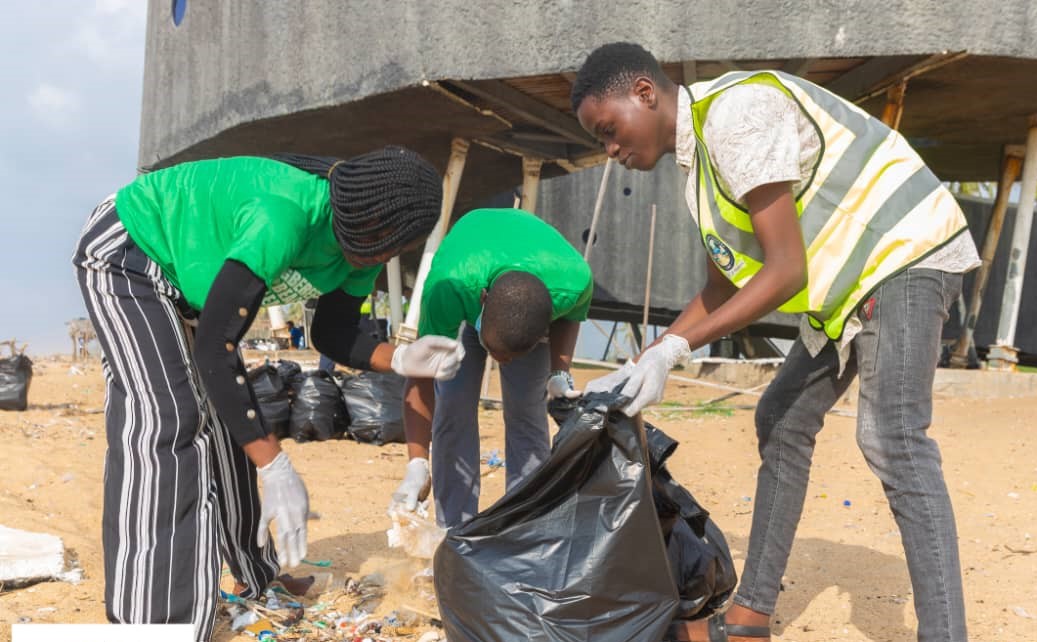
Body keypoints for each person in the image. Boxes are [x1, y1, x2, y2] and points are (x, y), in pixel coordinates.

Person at [571, 43, 979, 642]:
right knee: (781, 419)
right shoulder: (702, 171)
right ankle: (751, 615)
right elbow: (719, 290)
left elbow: (785, 270)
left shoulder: (735, 115)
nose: (609, 150)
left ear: (644, 93)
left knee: (892, 436)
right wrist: (643, 361)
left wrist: (675, 353)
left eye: (608, 130)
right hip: (849, 284)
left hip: (904, 252)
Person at [72, 147, 466, 641]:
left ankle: (256, 579)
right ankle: (150, 623)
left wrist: (400, 359)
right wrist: (274, 464)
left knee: (232, 419)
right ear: (352, 213)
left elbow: (334, 331)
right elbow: (217, 347)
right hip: (131, 252)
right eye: (368, 245)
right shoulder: (283, 214)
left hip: (190, 288)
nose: (369, 260)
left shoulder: (366, 245)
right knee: (165, 422)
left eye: (384, 251)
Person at [389, 208, 593, 528]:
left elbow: (571, 318)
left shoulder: (573, 282)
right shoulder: (448, 288)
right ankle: (455, 530)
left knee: (528, 412)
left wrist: (558, 372)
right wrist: (417, 463)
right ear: (481, 300)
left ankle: (525, 527)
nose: (502, 364)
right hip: (470, 273)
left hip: (535, 284)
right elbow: (422, 376)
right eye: (499, 353)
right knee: (453, 406)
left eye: (512, 356)